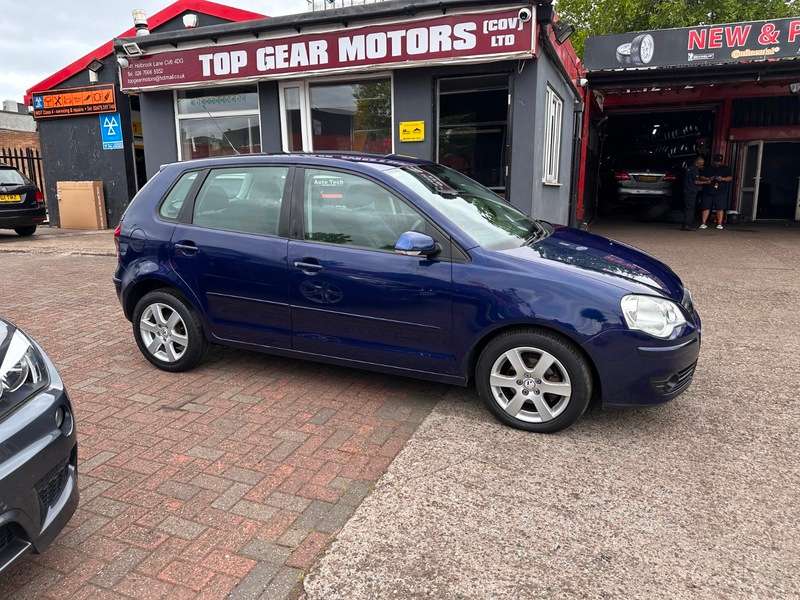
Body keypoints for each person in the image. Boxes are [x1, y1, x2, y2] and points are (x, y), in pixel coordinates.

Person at [699, 154, 733, 230]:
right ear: (713, 161)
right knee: (705, 206)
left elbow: (730, 178)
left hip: (721, 191)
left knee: (720, 207)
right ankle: (703, 223)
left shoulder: (726, 168)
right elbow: (701, 176)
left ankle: (719, 224)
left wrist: (722, 179)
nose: (718, 163)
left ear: (722, 161)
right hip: (708, 190)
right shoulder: (708, 168)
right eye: (716, 161)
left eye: (719, 161)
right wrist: (709, 178)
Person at [682, 156, 707, 230]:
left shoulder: (689, 168)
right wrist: (706, 182)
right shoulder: (694, 170)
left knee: (687, 208)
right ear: (697, 162)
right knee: (690, 208)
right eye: (701, 163)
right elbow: (696, 181)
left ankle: (685, 224)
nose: (702, 165)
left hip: (687, 190)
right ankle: (687, 225)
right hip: (691, 191)